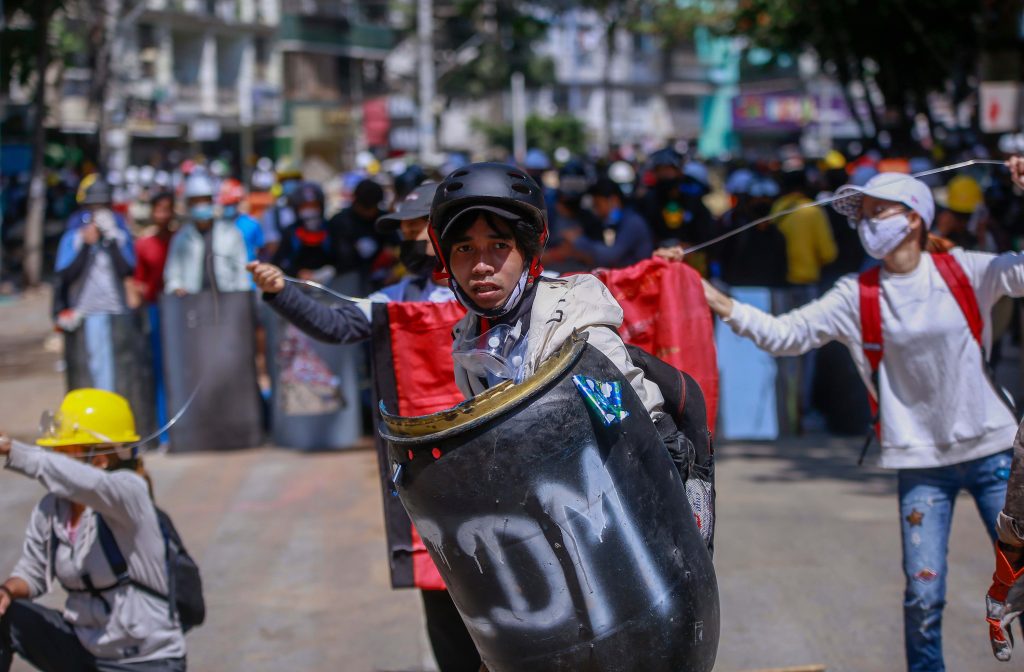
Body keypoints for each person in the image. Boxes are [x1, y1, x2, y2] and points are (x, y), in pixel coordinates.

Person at [665, 171, 1024, 672]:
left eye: (878, 211)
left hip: (996, 457)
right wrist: (712, 295)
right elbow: (784, 334)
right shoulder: (856, 294)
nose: (866, 224)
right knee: (923, 598)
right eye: (862, 214)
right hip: (922, 465)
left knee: (1021, 584)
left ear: (914, 217)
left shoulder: (966, 271)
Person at [249, 183, 471, 671]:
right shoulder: (394, 298)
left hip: (495, 467)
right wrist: (280, 292)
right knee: (441, 596)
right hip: (429, 473)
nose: (409, 239)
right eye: (404, 231)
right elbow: (337, 326)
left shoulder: (497, 288)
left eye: (418, 228)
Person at [0, 390, 186, 671]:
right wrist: (7, 591)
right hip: (87, 652)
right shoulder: (52, 508)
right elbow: (33, 572)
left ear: (100, 459)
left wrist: (13, 450)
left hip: (147, 661)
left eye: (64, 452)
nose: (54, 458)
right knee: (5, 616)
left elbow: (91, 485)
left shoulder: (129, 494)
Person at [54, 177, 137, 392]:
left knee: (121, 370)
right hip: (85, 313)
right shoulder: (73, 236)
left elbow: (127, 270)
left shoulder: (118, 233)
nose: (98, 213)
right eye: (94, 207)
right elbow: (65, 274)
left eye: (103, 207)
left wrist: (110, 240)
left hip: (117, 311)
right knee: (92, 371)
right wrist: (85, 245)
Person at [163, 172, 249, 296]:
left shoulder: (231, 233)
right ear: (189, 204)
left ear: (212, 202)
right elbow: (172, 274)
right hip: (193, 304)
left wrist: (241, 298)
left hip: (227, 302)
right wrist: (176, 288)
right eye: (196, 202)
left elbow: (242, 272)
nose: (200, 206)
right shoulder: (181, 237)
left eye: (204, 200)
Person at [559, 177, 653, 269]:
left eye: (598, 205)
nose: (596, 210)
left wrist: (577, 240)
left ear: (613, 200)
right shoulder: (611, 221)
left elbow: (610, 256)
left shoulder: (633, 222)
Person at [325, 178, 391, 292]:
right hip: (346, 278)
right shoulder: (340, 221)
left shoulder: (383, 220)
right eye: (366, 207)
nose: (370, 212)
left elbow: (394, 246)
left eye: (373, 206)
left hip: (382, 278)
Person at [271, 182, 338, 281]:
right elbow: (278, 263)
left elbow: (343, 259)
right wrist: (298, 273)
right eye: (305, 206)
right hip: (299, 288)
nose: (310, 210)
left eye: (314, 206)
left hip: (329, 287)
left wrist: (329, 271)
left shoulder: (331, 229)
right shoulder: (291, 232)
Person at [218, 178, 263, 263]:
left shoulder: (252, 224)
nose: (229, 207)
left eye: (232, 203)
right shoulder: (217, 226)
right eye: (226, 204)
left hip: (247, 271)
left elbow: (260, 250)